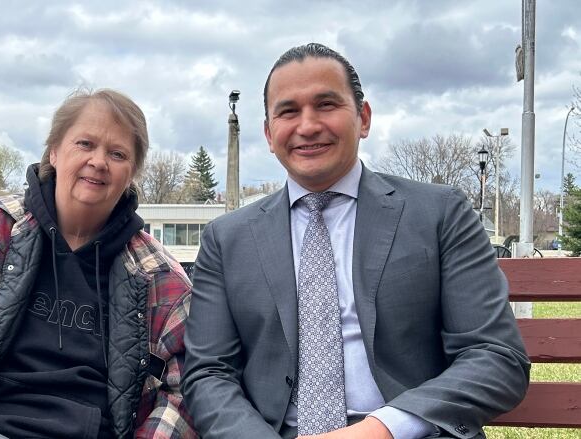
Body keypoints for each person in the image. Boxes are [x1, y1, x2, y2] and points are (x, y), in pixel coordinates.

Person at [182, 43, 530, 439]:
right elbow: (209, 373)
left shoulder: (439, 214)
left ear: (363, 118)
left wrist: (383, 428)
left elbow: (495, 356)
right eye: (288, 111)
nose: (308, 125)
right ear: (268, 132)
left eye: (326, 104)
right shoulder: (226, 240)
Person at [0, 89, 196, 439]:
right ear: (54, 152)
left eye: (117, 153)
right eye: (85, 144)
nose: (99, 161)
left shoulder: (159, 278)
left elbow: (181, 393)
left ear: (131, 171)